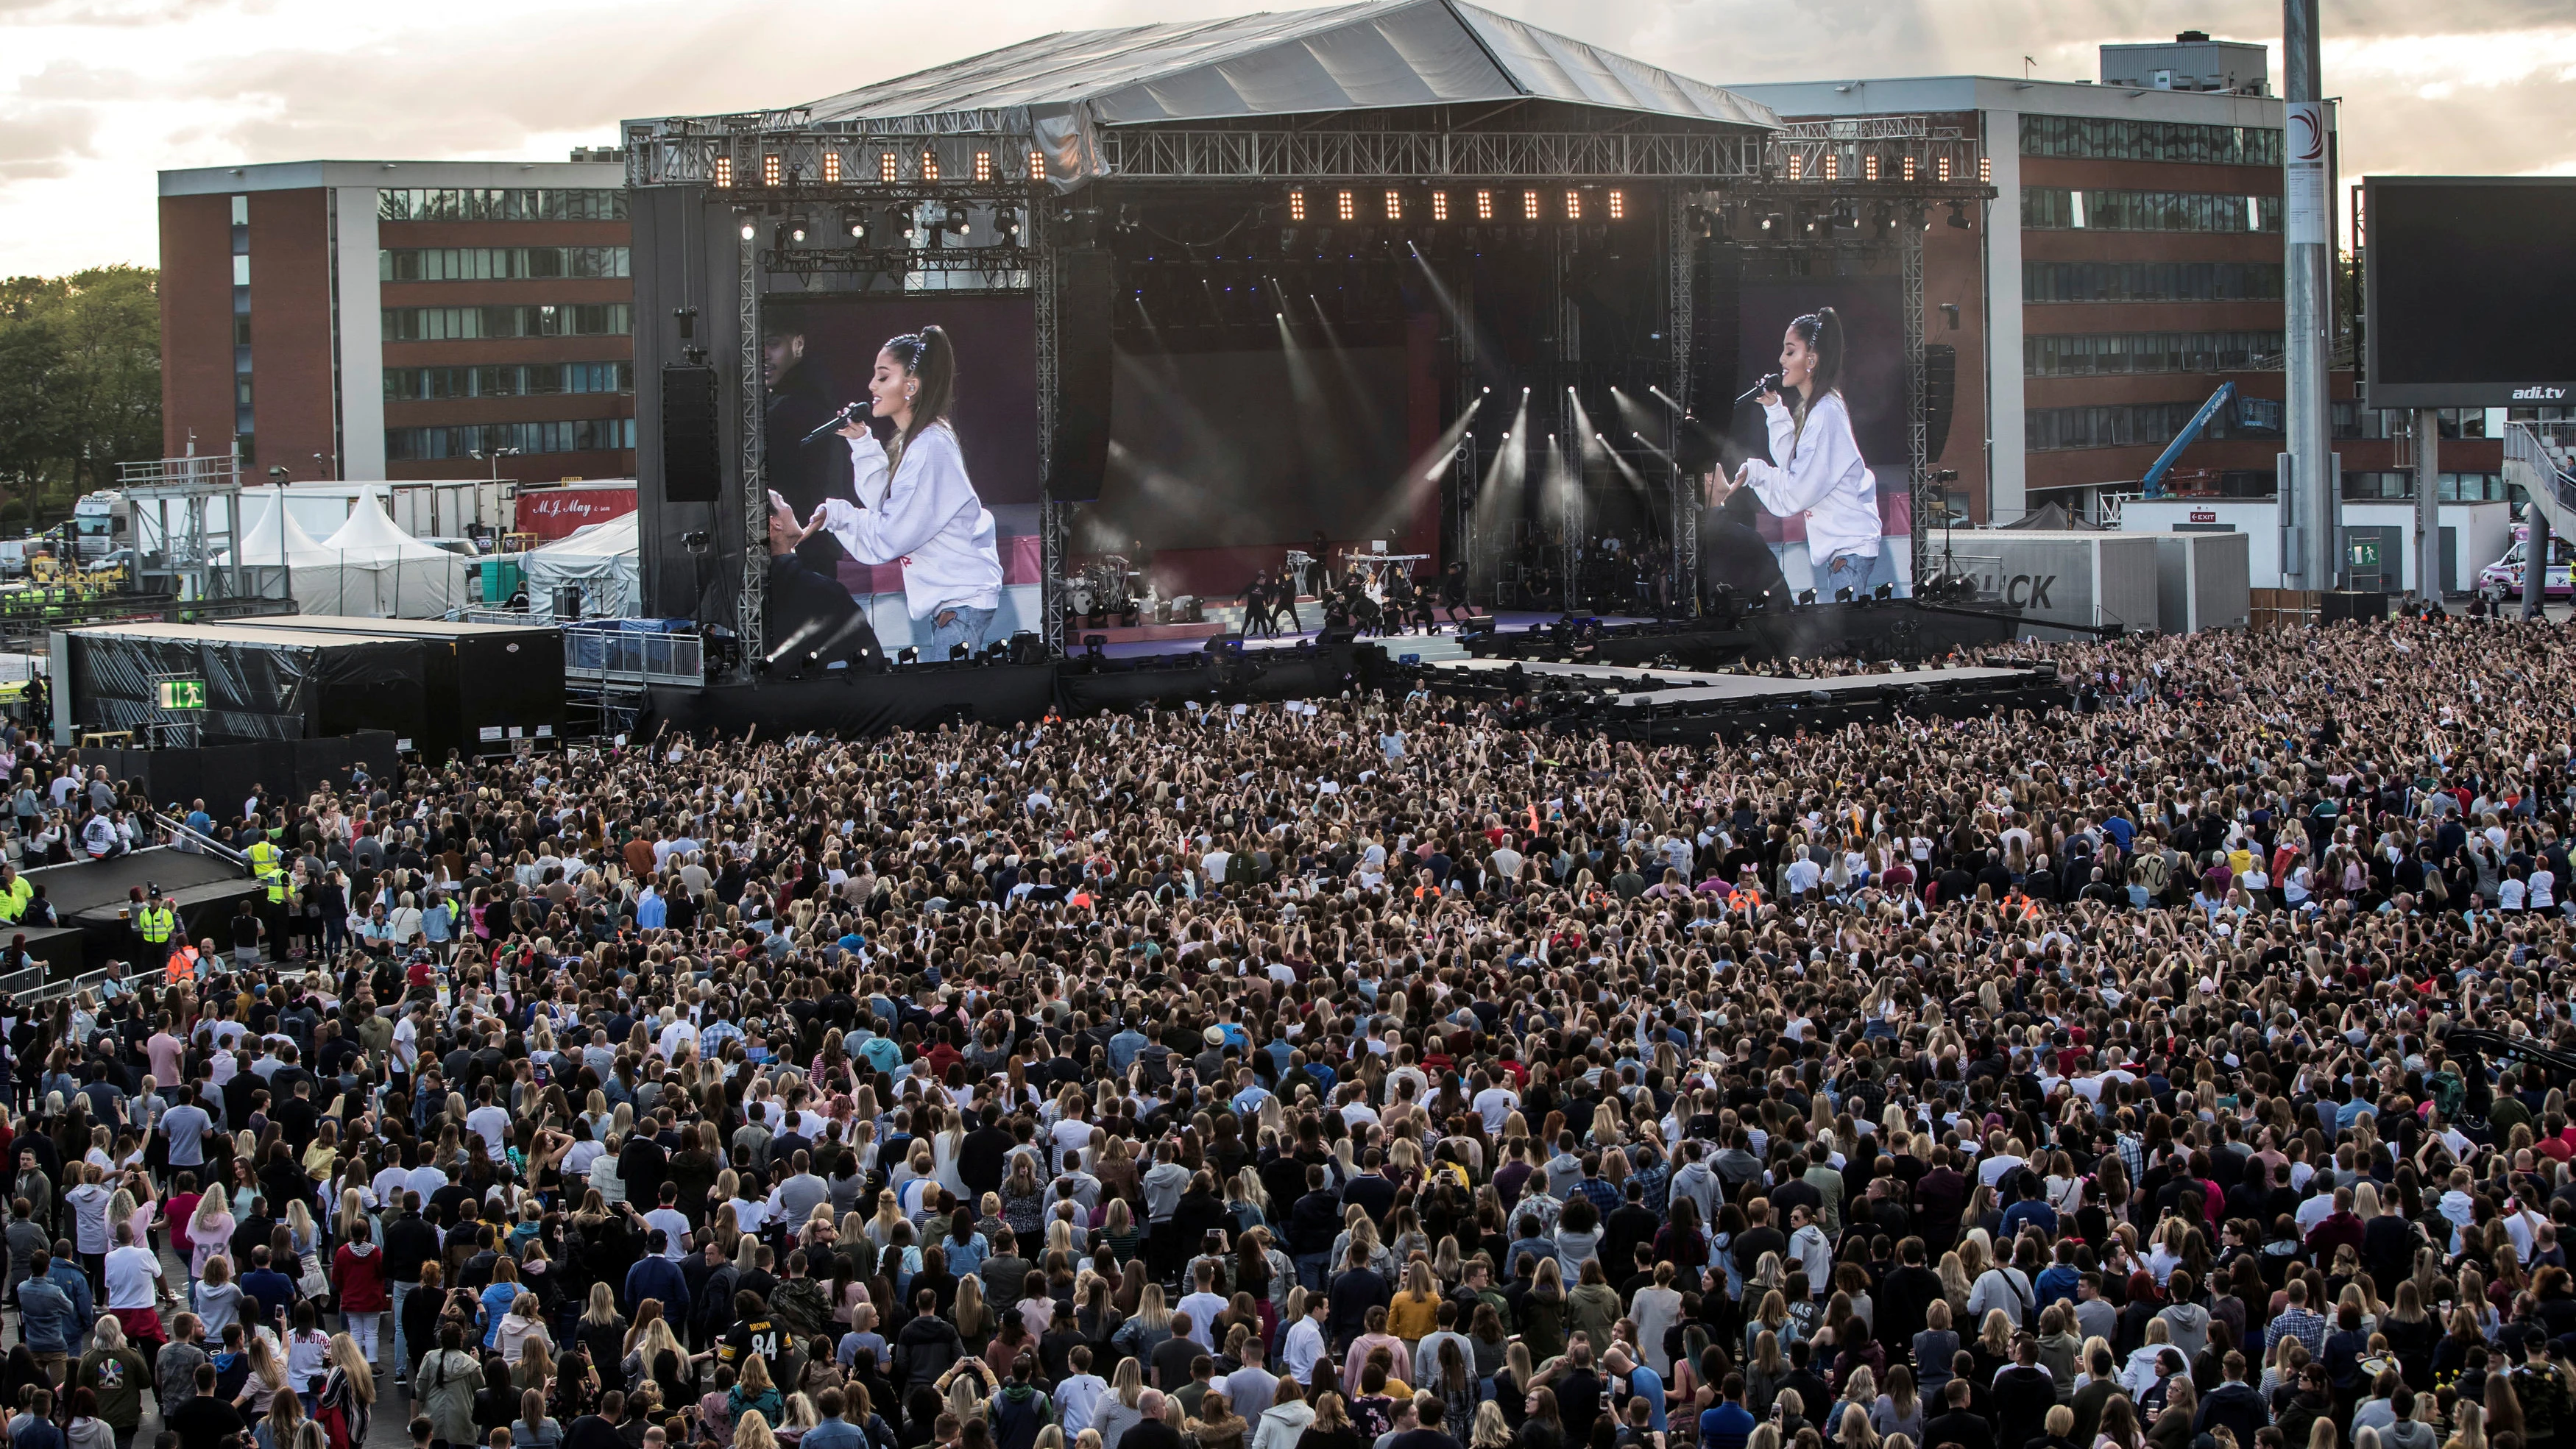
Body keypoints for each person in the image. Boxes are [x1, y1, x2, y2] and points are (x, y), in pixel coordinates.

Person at [775, 325, 1005, 659]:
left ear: (911, 385)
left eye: (883, 377)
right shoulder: (921, 441)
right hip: (955, 602)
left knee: (951, 704)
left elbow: (891, 534)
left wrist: (839, 516)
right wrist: (862, 443)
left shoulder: (930, 446)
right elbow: (890, 504)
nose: (871, 386)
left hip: (961, 604)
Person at [1724, 307, 1887, 600]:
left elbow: (1796, 492)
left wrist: (1758, 474)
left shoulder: (1825, 412)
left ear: (1811, 360)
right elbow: (1795, 464)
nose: (1781, 360)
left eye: (1790, 351)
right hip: (1846, 550)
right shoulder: (1819, 409)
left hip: (1849, 552)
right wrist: (1775, 410)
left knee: (1842, 640)